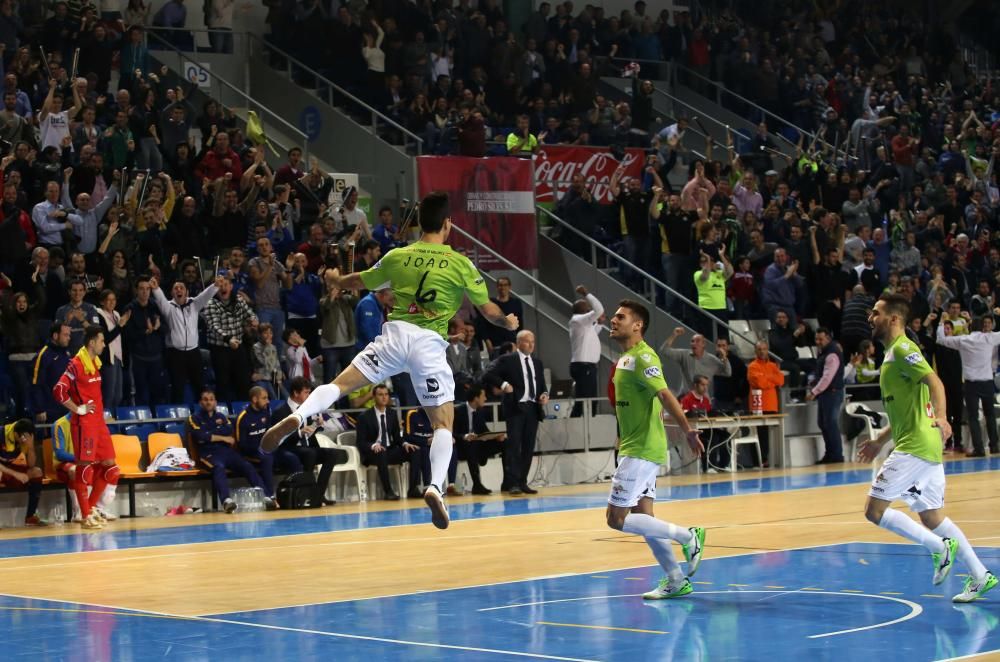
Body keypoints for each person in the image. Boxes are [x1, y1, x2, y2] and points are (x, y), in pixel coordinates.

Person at [263, 191, 518, 529]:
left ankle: (299, 415)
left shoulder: (398, 256)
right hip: (429, 345)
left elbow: (359, 281)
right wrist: (509, 322)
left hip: (395, 335)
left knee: (338, 385)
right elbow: (489, 312)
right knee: (443, 423)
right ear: (448, 225)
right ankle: (435, 486)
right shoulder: (460, 263)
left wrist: (337, 279)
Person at [860, 293, 997, 602]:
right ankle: (980, 576)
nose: (871, 318)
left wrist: (944, 418)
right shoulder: (891, 356)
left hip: (916, 446)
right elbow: (905, 413)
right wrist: (879, 441)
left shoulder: (904, 349)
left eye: (876, 313)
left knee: (874, 510)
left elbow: (936, 382)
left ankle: (938, 547)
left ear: (894, 319)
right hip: (924, 446)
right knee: (932, 517)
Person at [604, 299, 706, 600]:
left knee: (616, 519)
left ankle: (689, 536)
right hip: (633, 446)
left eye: (620, 317)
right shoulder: (626, 359)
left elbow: (664, 394)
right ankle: (676, 580)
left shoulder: (646, 357)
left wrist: (687, 431)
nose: (613, 320)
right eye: (613, 316)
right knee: (644, 517)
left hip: (642, 450)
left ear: (638, 326)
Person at [52, 326, 120, 529]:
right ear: (91, 342)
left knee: (111, 467)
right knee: (84, 469)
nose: (104, 344)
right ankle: (85, 515)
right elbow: (59, 390)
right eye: (101, 340)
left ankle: (89, 509)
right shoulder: (75, 364)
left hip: (99, 423)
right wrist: (77, 409)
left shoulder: (94, 362)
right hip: (84, 424)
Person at [483, 330, 548, 495]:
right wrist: (504, 384)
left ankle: (523, 481)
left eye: (533, 341)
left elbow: (541, 384)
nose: (531, 345)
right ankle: (512, 483)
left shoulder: (537, 362)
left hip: (533, 408)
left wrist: (545, 394)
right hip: (515, 408)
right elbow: (488, 373)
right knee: (514, 446)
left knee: (528, 446)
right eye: (527, 341)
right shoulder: (508, 359)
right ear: (519, 343)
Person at [188, 389, 272, 514]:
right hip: (208, 454)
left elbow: (228, 429)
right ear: (200, 403)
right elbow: (200, 436)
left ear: (215, 402)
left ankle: (265, 497)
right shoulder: (194, 418)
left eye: (211, 399)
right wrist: (221, 437)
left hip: (227, 452)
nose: (209, 402)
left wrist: (210, 434)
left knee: (247, 465)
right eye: (205, 400)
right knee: (219, 467)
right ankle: (226, 501)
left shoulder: (221, 416)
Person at [269, 377, 348, 506]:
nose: (309, 395)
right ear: (296, 393)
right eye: (306, 392)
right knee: (309, 453)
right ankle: (305, 493)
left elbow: (308, 434)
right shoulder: (280, 412)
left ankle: (318, 494)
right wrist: (299, 433)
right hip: (288, 448)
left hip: (306, 447)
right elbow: (279, 437)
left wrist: (316, 425)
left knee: (332, 453)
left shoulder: (308, 409)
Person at [933, 314, 1000, 457]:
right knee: (990, 415)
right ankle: (994, 446)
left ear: (968, 328)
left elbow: (941, 339)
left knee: (973, 417)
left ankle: (979, 449)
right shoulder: (989, 338)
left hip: (971, 384)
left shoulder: (963, 339)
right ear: (983, 327)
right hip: (987, 382)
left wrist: (941, 323)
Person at [150, 274, 220, 403]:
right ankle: (177, 415)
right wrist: (156, 289)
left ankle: (202, 413)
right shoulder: (169, 307)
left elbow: (205, 296)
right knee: (177, 387)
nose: (178, 290)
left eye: (181, 288)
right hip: (175, 354)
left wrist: (215, 286)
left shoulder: (193, 304)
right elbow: (160, 300)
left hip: (193, 352)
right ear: (172, 292)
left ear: (186, 291)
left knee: (199, 385)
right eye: (175, 288)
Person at [355, 384, 419, 500]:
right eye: (380, 395)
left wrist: (405, 443)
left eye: (386, 394)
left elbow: (396, 437)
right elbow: (360, 442)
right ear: (374, 397)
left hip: (390, 450)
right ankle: (388, 491)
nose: (384, 397)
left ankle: (413, 489)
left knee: (414, 451)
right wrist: (373, 445)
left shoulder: (392, 413)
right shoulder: (364, 417)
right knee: (381, 452)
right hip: (373, 453)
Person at [452, 382, 505, 495]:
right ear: (476, 398)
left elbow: (484, 431)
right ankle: (477, 485)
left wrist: (496, 436)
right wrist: (465, 436)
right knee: (472, 444)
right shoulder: (458, 411)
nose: (485, 399)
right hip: (462, 446)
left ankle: (508, 482)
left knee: (505, 443)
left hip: (478, 445)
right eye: (483, 396)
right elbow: (452, 432)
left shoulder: (481, 412)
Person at [234, 387, 280, 509]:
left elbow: (269, 432)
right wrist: (259, 449)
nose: (268, 401)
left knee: (290, 457)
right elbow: (241, 444)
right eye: (264, 398)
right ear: (254, 399)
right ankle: (270, 496)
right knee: (267, 458)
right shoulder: (243, 417)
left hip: (265, 449)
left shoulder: (266, 411)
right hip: (249, 452)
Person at [806, 327, 845, 464]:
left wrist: (814, 391)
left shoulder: (832, 354)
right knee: (823, 423)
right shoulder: (824, 352)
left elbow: (827, 378)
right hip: (826, 393)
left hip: (832, 393)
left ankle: (837, 455)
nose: (818, 342)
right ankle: (830, 454)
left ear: (828, 338)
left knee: (830, 423)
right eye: (816, 339)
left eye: (820, 339)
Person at [0, 419, 47, 526]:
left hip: (11, 470)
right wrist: (15, 474)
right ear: (16, 434)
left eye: (28, 437)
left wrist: (30, 447)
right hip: (3, 470)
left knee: (37, 472)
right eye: (23, 437)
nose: (24, 440)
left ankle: (30, 516)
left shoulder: (25, 438)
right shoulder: (1, 433)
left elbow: (31, 465)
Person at [659, 327, 731, 395]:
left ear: (703, 344)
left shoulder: (712, 360)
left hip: (702, 400)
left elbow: (727, 373)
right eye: (692, 341)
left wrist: (724, 358)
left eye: (697, 341)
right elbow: (664, 350)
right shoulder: (684, 355)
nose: (694, 343)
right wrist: (674, 335)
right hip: (685, 398)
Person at [746, 340, 784, 466]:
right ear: (755, 351)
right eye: (759, 349)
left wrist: (766, 378)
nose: (762, 351)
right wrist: (771, 379)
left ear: (767, 350)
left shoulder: (773, 366)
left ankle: (767, 460)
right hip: (758, 405)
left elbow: (780, 380)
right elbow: (759, 383)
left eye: (764, 349)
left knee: (768, 434)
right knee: (758, 433)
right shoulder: (752, 366)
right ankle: (758, 461)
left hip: (771, 404)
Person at [568, 285, 603, 417]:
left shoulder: (582, 324)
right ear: (583, 311)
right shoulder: (578, 320)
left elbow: (592, 334)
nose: (590, 310)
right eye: (588, 308)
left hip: (587, 366)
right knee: (586, 402)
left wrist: (599, 324)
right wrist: (586, 293)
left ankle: (588, 428)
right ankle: (580, 429)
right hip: (584, 366)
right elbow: (599, 310)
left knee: (589, 401)